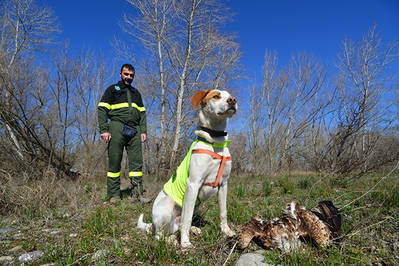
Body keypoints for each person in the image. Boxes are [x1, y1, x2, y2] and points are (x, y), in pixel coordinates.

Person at [97, 64, 150, 204]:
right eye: (126, 74)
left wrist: (143, 131)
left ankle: (137, 193)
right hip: (116, 126)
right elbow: (102, 109)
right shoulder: (113, 90)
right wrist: (104, 129)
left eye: (131, 75)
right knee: (114, 160)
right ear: (120, 74)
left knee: (137, 162)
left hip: (135, 129)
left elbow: (143, 114)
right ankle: (114, 194)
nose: (129, 77)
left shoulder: (136, 93)